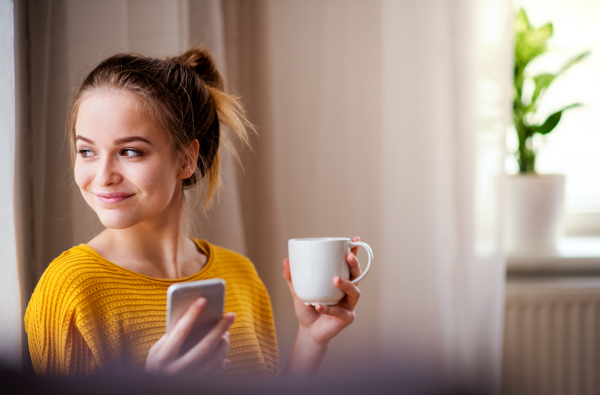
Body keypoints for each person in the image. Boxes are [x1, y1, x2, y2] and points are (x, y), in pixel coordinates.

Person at [24, 48, 362, 379]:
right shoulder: (70, 289)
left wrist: (311, 339)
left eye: (129, 151)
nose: (102, 176)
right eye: (87, 151)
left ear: (186, 159)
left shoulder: (242, 277)